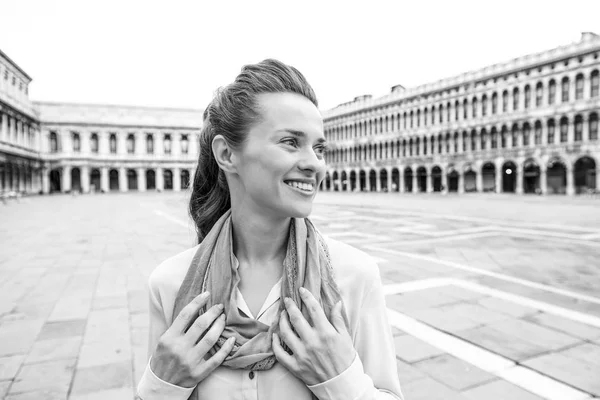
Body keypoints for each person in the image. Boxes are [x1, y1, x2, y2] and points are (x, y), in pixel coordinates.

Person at [136, 59, 403, 400]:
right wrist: (161, 385)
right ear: (227, 154)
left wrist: (342, 380)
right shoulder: (171, 283)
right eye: (291, 142)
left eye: (318, 147)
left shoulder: (354, 275)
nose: (314, 164)